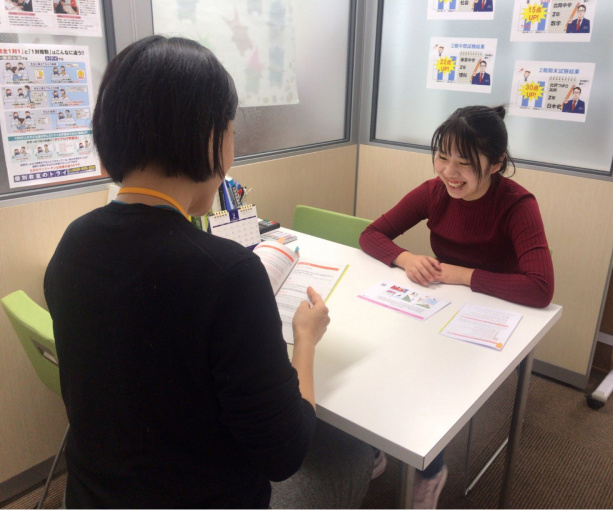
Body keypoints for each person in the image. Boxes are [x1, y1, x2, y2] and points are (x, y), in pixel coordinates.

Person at [44, 35, 371, 509]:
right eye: (232, 132)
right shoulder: (228, 274)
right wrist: (304, 338)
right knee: (353, 450)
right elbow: (285, 454)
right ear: (211, 137)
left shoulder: (73, 242)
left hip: (92, 498)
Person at [359, 105, 554, 509]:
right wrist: (406, 258)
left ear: (497, 163)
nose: (449, 172)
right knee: (377, 354)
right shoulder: (435, 192)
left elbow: (539, 288)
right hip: (440, 304)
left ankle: (430, 471)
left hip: (494, 314)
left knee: (429, 379)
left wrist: (462, 274)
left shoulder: (517, 204)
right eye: (442, 156)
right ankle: (374, 448)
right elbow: (372, 234)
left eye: (464, 163)